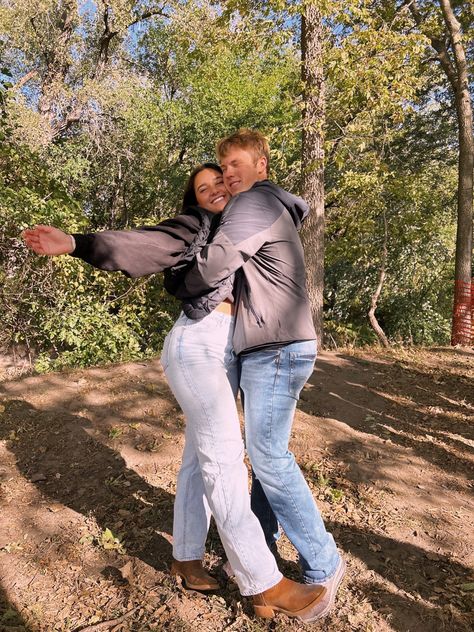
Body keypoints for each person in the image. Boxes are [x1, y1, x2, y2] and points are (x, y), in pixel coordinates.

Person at [22, 163, 326, 621]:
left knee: (197, 458)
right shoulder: (196, 226)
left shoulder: (248, 225)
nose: (214, 191)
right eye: (203, 190)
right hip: (199, 342)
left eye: (219, 181)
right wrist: (77, 244)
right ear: (197, 202)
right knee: (224, 459)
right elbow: (150, 243)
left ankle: (185, 557)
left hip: (226, 349)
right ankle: (263, 583)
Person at [181, 130, 346, 620]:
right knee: (265, 453)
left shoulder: (253, 201)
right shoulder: (264, 204)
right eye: (222, 167)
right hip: (270, 346)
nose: (228, 174)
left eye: (236, 164)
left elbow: (214, 264)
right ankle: (263, 553)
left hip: (275, 348)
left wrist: (181, 282)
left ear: (261, 166)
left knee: (269, 457)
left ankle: (324, 561)